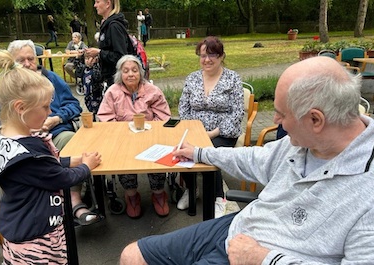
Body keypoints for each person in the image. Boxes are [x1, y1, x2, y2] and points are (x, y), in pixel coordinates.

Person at [120, 56, 374, 264]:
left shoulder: (367, 192)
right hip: (238, 227)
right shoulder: (303, 144)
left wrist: (262, 258)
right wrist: (199, 152)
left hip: (262, 255)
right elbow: (252, 157)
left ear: (316, 120)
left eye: (281, 114)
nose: (275, 122)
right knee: (132, 256)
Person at [0, 50, 101, 264]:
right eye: (45, 107)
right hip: (37, 240)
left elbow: (43, 170)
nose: (49, 111)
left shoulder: (8, 139)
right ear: (20, 108)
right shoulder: (28, 155)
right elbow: (61, 178)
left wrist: (72, 160)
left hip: (20, 228)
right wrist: (86, 167)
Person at [177, 36, 244, 218]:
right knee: (182, 149)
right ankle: (192, 190)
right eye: (202, 55)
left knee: (209, 152)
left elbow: (237, 113)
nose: (206, 60)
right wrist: (193, 128)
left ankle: (218, 198)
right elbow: (183, 107)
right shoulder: (192, 78)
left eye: (212, 55)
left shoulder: (233, 79)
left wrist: (213, 132)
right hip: (194, 129)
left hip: (223, 132)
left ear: (221, 56)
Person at [97, 55, 171, 218]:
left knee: (156, 158)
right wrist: (124, 133)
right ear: (120, 74)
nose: (130, 74)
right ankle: (131, 195)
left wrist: (151, 130)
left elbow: (164, 116)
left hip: (150, 136)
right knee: (123, 160)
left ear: (141, 73)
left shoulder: (152, 91)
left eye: (134, 70)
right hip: (123, 139)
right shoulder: (113, 92)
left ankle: (159, 194)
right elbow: (105, 118)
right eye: (126, 71)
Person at [86, 0, 130, 89]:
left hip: (118, 81)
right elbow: (110, 51)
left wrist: (99, 52)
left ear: (108, 4)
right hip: (111, 80)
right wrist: (98, 58)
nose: (95, 5)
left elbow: (121, 57)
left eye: (97, 2)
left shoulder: (114, 26)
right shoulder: (107, 25)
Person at [81, 53, 104, 118]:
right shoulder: (84, 69)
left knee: (98, 110)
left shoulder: (97, 69)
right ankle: (93, 120)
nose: (88, 61)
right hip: (87, 94)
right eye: (86, 59)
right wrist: (78, 58)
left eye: (90, 59)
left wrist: (95, 64)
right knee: (90, 110)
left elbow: (98, 77)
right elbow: (78, 72)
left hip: (96, 94)